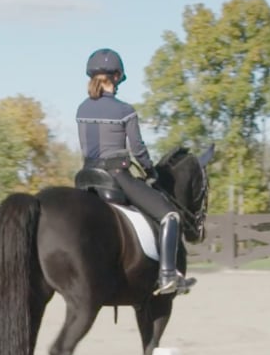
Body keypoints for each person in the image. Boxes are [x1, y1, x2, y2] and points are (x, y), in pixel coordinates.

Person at [76, 47, 195, 296]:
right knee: (170, 215)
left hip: (86, 179)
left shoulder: (82, 109)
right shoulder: (124, 110)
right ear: (116, 77)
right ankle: (167, 275)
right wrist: (151, 172)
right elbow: (138, 150)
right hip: (115, 178)